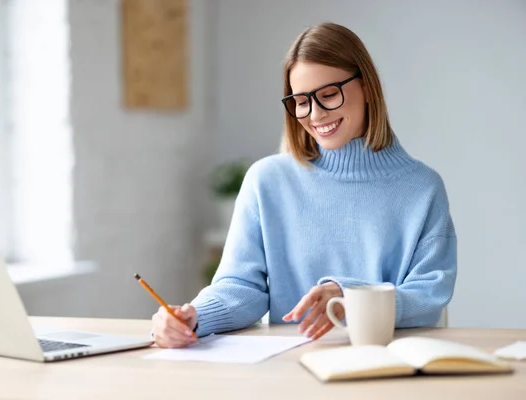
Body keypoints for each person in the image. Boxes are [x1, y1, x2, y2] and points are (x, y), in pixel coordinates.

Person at [151, 22, 457, 348]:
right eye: (301, 101)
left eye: (328, 95)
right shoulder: (266, 181)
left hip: (386, 365)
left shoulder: (422, 188)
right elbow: (242, 286)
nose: (315, 115)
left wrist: (347, 297)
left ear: (367, 86)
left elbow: (428, 296)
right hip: (293, 367)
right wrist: (194, 316)